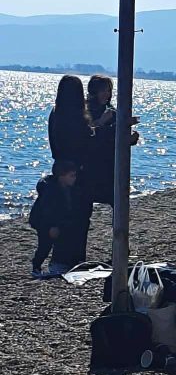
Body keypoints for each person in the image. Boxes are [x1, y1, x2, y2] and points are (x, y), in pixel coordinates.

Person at [47, 75, 97, 266]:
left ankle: (60, 256)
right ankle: (76, 257)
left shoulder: (56, 113)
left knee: (62, 212)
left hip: (60, 167)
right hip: (77, 169)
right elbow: (86, 142)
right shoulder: (77, 116)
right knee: (80, 214)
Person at [83, 74, 140, 205]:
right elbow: (85, 133)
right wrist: (101, 121)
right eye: (103, 90)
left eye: (108, 91)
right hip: (91, 164)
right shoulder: (85, 110)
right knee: (85, 202)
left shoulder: (113, 111)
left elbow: (115, 136)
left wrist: (130, 138)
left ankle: (119, 225)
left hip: (110, 164)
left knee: (117, 199)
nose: (106, 94)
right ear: (94, 91)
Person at [29, 159, 87, 278]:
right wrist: (52, 226)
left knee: (64, 240)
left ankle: (61, 263)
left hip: (59, 221)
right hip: (43, 222)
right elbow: (47, 212)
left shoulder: (69, 189)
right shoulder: (50, 190)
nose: (74, 178)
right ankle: (36, 267)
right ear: (62, 176)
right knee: (45, 245)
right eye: (71, 176)